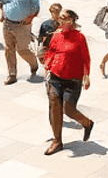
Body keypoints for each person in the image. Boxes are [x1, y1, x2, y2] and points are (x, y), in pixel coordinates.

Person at [42, 9, 95, 154]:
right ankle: (57, 141)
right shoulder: (56, 35)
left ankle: (87, 123)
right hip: (55, 76)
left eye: (63, 17)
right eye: (59, 17)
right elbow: (51, 51)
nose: (60, 20)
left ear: (70, 20)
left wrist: (86, 76)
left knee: (68, 109)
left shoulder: (79, 37)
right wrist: (46, 65)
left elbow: (86, 58)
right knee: (54, 106)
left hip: (73, 79)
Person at [0, 0, 41, 84]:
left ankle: (33, 64)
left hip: (22, 25)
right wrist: (0, 13)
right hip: (8, 24)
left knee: (23, 49)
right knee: (9, 50)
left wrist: (30, 18)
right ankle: (12, 74)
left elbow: (36, 6)